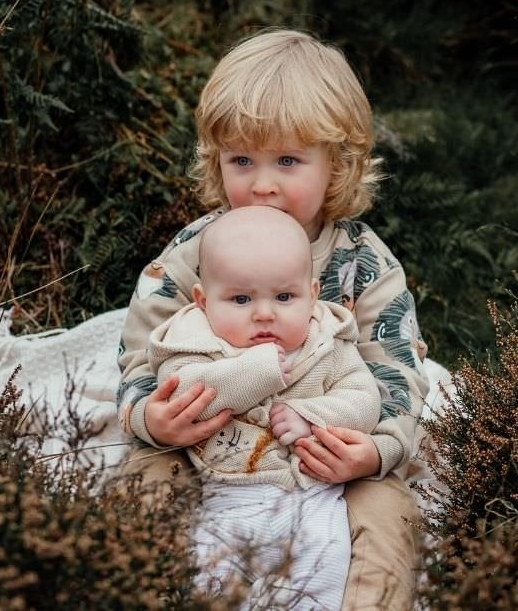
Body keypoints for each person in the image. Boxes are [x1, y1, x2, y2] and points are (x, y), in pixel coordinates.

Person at [119, 30, 429, 611]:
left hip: (327, 448)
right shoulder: (195, 249)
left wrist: (376, 450)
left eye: (287, 161)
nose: (262, 184)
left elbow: (397, 371)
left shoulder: (363, 262)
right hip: (203, 442)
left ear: (336, 163)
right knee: (142, 488)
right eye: (241, 160)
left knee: (391, 514)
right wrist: (150, 419)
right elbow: (141, 350)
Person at [149, 206, 380, 609]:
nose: (264, 314)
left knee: (325, 574)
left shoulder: (327, 340)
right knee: (209, 582)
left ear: (312, 294)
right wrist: (254, 371)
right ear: (203, 301)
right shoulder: (192, 337)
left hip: (313, 500)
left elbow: (364, 399)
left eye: (285, 297)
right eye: (240, 299)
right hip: (227, 502)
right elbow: (181, 392)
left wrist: (313, 417)